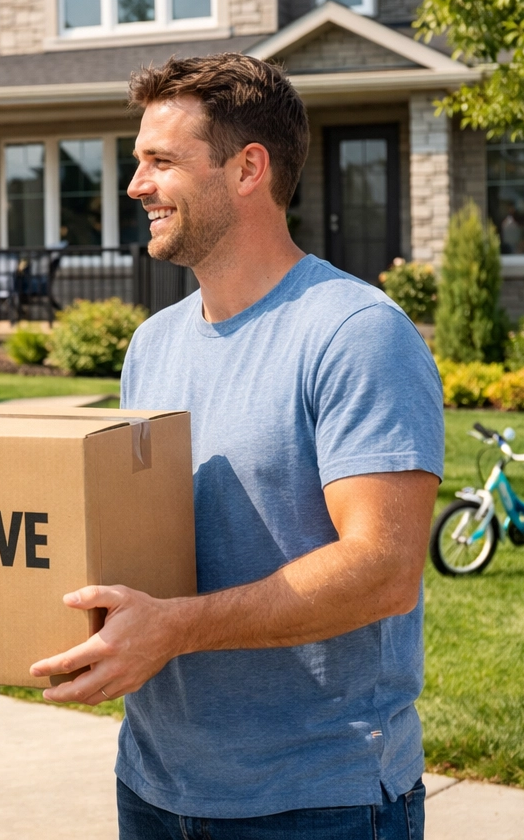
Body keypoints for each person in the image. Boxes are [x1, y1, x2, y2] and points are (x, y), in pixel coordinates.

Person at [31, 55, 442, 839]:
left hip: (317, 799)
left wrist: (176, 626)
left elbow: (384, 571)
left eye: (161, 162)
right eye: (136, 162)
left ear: (247, 168)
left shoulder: (354, 333)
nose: (134, 186)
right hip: (154, 784)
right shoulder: (151, 346)